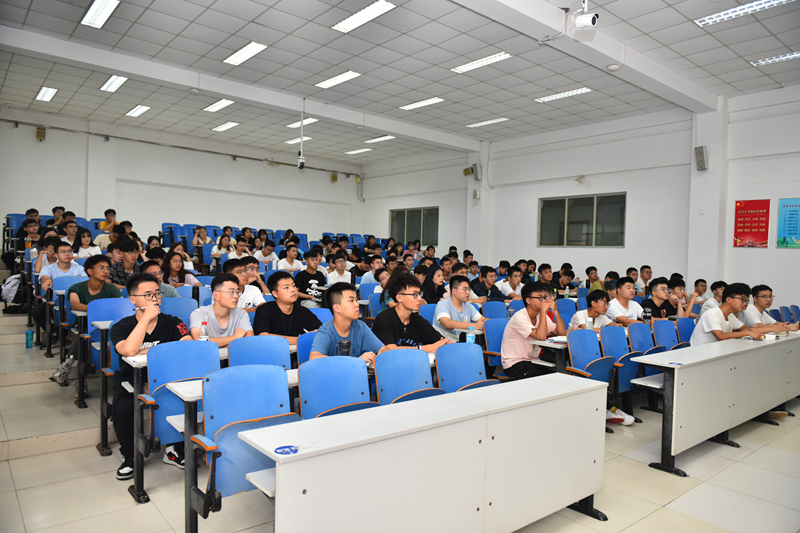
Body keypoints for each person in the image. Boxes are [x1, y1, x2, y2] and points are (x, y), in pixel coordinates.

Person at [111, 273, 191, 479]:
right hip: (131, 380)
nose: (155, 298)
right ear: (133, 299)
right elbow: (128, 350)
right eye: (147, 295)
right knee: (124, 407)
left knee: (182, 400)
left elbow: (187, 345)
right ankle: (129, 455)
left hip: (166, 379)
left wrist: (143, 351)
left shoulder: (173, 322)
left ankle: (173, 449)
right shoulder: (121, 326)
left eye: (157, 293)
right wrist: (146, 318)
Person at [49, 255, 121, 388]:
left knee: (85, 339)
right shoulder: (76, 288)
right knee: (83, 337)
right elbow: (75, 304)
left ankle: (69, 368)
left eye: (107, 268)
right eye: (101, 268)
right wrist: (97, 307)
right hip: (79, 327)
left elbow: (118, 306)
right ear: (89, 271)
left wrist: (93, 307)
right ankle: (80, 383)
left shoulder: (112, 289)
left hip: (107, 331)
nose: (106, 271)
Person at [309, 282, 387, 363]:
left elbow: (383, 349)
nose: (357, 304)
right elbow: (314, 358)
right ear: (337, 308)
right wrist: (357, 361)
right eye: (351, 300)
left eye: (356, 300)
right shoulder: (326, 331)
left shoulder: (360, 326)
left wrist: (380, 355)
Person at [500, 281, 565, 379]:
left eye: (544, 298)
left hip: (533, 361)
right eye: (539, 298)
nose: (543, 301)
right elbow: (541, 337)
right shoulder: (520, 317)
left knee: (556, 376)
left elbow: (561, 334)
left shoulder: (540, 315)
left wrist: (555, 312)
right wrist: (543, 311)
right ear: (528, 300)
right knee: (544, 379)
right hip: (515, 363)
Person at [372, 274, 450, 352]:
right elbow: (391, 350)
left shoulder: (418, 320)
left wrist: (445, 343)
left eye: (419, 294)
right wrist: (426, 348)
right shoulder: (383, 319)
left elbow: (440, 341)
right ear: (399, 297)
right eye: (415, 294)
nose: (420, 298)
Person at [34, 241, 87, 345]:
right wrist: (47, 280)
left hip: (76, 301)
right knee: (37, 311)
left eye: (69, 251)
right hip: (56, 301)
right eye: (63, 252)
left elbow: (86, 280)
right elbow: (45, 277)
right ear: (56, 255)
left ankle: (72, 336)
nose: (67, 254)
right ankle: (53, 333)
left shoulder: (79, 268)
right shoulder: (48, 268)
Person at [253, 272, 322, 343]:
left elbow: (321, 331)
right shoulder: (264, 310)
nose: (293, 290)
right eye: (286, 287)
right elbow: (263, 336)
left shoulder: (303, 311)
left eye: (294, 286)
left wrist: (315, 333)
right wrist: (300, 340)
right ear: (275, 293)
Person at [189, 273, 253, 347]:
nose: (236, 296)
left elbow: (248, 341)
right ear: (216, 295)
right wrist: (234, 338)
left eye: (237, 292)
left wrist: (217, 343)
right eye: (231, 292)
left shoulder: (241, 314)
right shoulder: (199, 314)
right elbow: (200, 342)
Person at [690, 283, 764, 346]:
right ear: (729, 299)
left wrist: (747, 332)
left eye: (747, 301)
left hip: (717, 350)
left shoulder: (730, 316)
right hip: (700, 352)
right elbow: (721, 336)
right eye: (743, 300)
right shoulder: (712, 314)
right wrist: (747, 333)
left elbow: (745, 328)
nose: (745, 304)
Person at [434, 275, 487, 341]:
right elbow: (447, 323)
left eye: (468, 289)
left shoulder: (467, 305)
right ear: (454, 291)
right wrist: (473, 325)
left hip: (461, 342)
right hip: (444, 343)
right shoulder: (443, 304)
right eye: (464, 289)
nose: (468, 292)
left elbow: (482, 319)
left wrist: (488, 322)